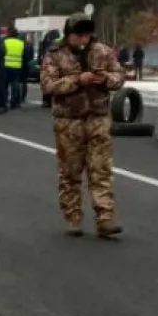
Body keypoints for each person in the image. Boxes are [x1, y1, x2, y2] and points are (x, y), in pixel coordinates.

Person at [39, 13, 126, 239]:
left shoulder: (103, 52)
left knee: (101, 170)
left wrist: (105, 79)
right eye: (78, 35)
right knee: (70, 171)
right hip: (69, 121)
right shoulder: (55, 55)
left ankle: (105, 218)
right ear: (69, 35)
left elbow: (119, 76)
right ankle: (73, 217)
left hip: (98, 118)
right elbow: (48, 85)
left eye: (86, 35)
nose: (83, 40)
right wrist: (78, 80)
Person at [4, 27, 31, 110]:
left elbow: (1, 53)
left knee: (5, 85)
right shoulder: (21, 43)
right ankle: (14, 102)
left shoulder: (5, 42)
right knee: (15, 85)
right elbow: (25, 56)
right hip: (17, 66)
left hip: (5, 66)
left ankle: (4, 101)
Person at [39, 29, 60, 108]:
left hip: (46, 65)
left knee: (46, 82)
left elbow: (41, 53)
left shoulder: (45, 42)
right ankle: (53, 101)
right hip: (55, 66)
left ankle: (46, 101)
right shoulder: (59, 43)